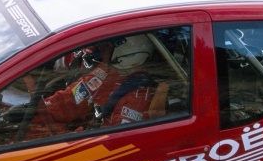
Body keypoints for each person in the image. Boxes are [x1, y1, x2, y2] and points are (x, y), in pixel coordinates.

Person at [35, 35, 169, 134]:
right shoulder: (105, 72)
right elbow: (69, 100)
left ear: (126, 52)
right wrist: (37, 111)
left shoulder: (137, 99)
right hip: (80, 134)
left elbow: (109, 141)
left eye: (107, 46)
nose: (101, 49)